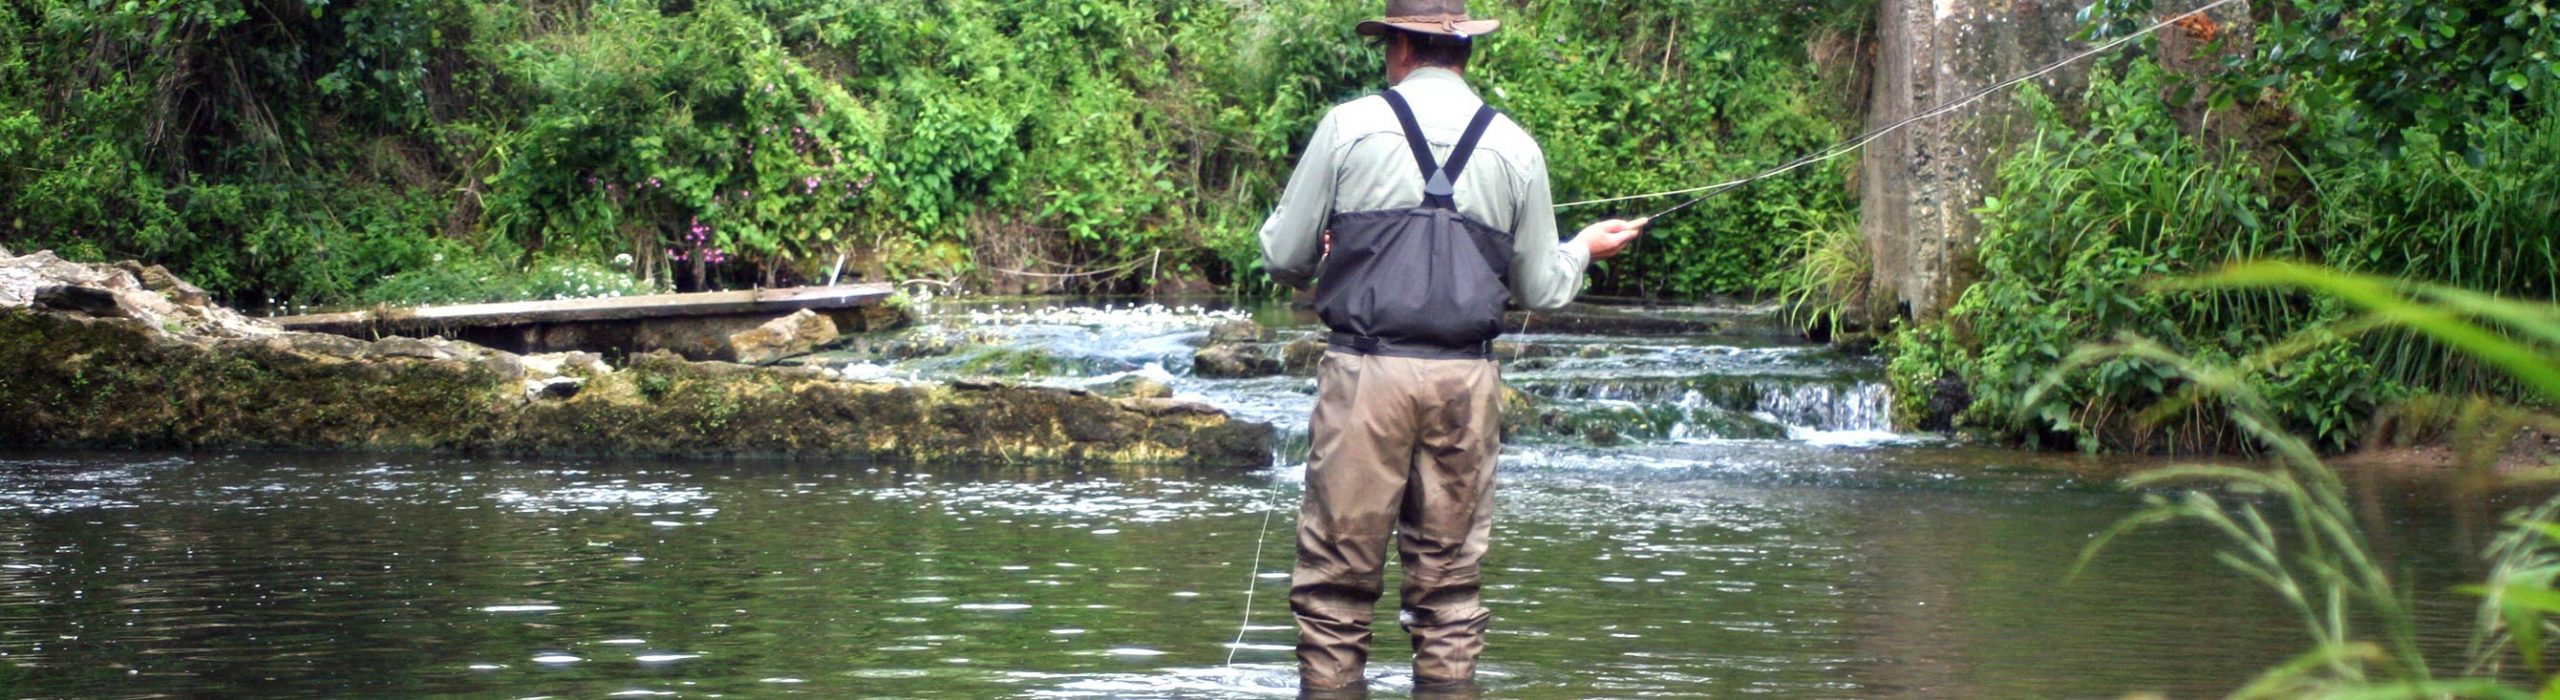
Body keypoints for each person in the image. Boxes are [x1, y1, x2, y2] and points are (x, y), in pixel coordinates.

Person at [1256, 0, 1646, 695]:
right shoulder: (1517, 146)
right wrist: (1583, 248)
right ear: (1462, 48)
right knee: (1448, 592)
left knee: (1337, 591)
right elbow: (1541, 287)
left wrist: (1307, 246)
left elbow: (1286, 255)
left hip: (1366, 376)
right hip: (1466, 386)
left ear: (1399, 49)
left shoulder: (1347, 126)